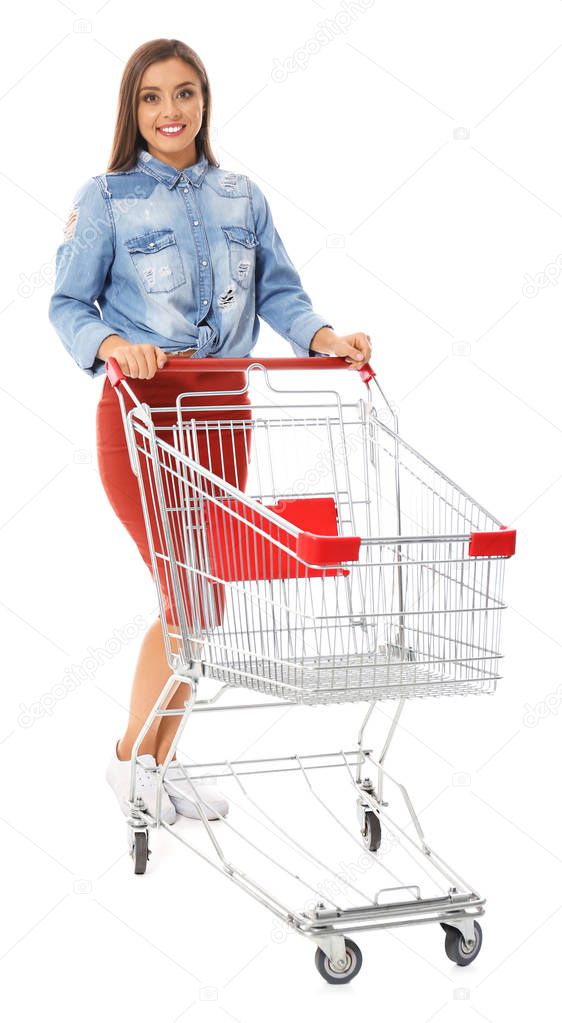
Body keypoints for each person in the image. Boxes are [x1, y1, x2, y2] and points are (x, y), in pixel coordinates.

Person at [48, 37, 372, 826]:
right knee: (182, 592)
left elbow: (282, 293)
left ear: (205, 101)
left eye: (185, 93)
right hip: (144, 420)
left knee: (208, 597)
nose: (171, 111)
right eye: (153, 97)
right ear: (133, 109)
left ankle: (156, 762)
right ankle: (132, 761)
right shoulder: (107, 199)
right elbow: (65, 306)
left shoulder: (241, 196)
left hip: (225, 418)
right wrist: (114, 345)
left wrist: (324, 336)